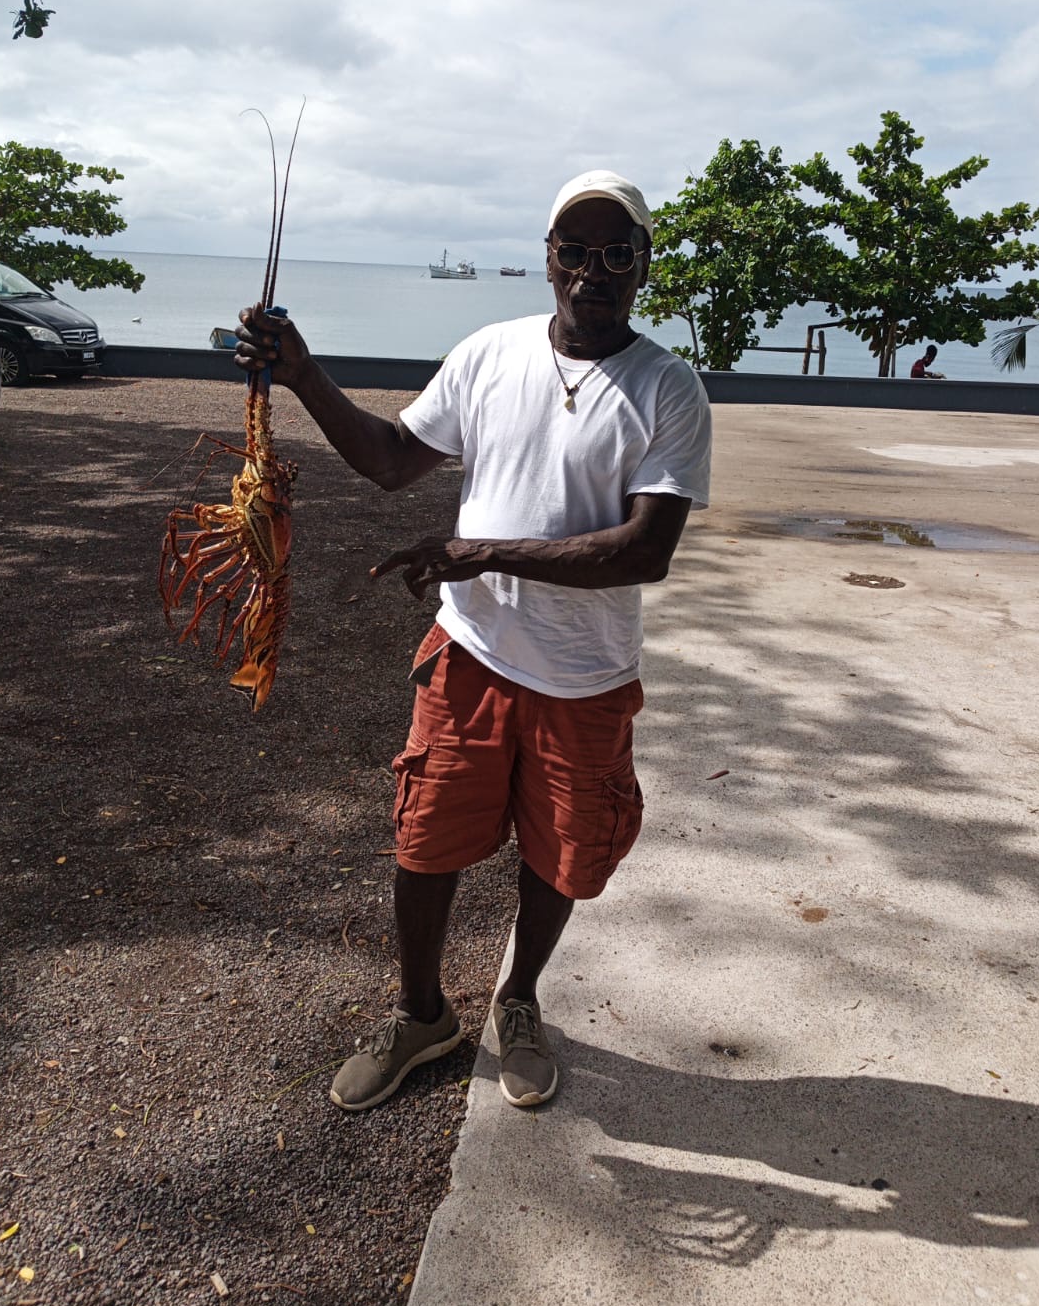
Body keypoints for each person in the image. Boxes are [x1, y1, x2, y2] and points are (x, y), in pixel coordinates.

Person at [234, 171, 712, 1112]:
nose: (594, 270)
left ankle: (519, 1000)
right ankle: (421, 1017)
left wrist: (479, 549)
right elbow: (386, 461)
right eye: (575, 249)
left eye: (618, 251)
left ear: (644, 266)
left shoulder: (669, 389)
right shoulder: (489, 354)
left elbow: (645, 550)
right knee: (425, 839)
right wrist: (300, 373)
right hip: (470, 658)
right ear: (547, 260)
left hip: (586, 680)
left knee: (561, 857)